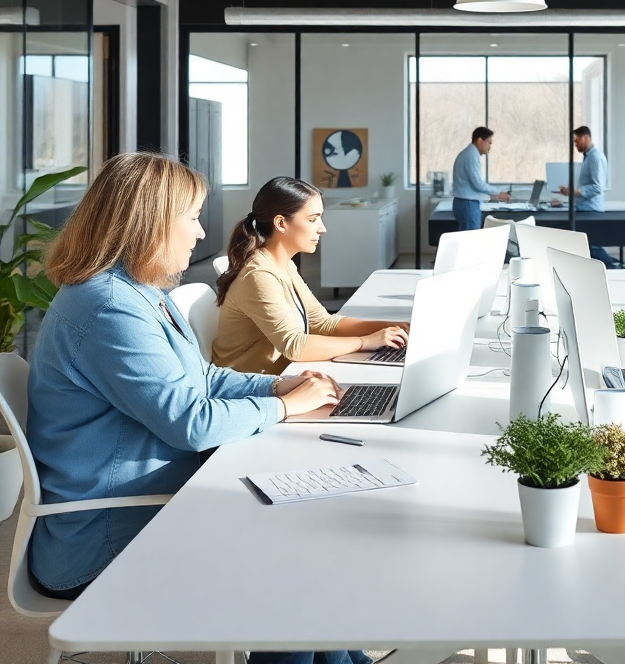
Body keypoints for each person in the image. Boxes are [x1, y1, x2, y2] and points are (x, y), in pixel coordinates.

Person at [27, 152, 361, 664]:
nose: (202, 234)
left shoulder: (137, 291)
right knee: (294, 552)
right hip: (109, 534)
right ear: (152, 224)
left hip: (153, 500)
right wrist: (286, 410)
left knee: (304, 529)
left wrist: (278, 387)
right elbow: (189, 421)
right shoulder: (108, 306)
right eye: (193, 218)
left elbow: (199, 378)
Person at [212, 176, 408, 373]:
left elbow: (323, 323)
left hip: (284, 376)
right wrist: (364, 341)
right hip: (249, 390)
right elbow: (295, 346)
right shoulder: (259, 275)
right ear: (281, 223)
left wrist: (389, 327)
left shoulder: (284, 265)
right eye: (313, 219)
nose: (322, 228)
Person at [559, 125, 616, 267]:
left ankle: (610, 267)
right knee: (589, 244)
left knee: (593, 245)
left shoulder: (595, 158)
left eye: (576, 140)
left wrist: (575, 191)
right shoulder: (588, 157)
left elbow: (597, 187)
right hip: (584, 208)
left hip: (591, 210)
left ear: (585, 138)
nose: (575, 144)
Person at [451, 125, 510, 230]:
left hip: (464, 203)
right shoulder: (471, 155)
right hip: (468, 204)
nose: (489, 148)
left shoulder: (468, 153)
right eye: (489, 142)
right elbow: (478, 184)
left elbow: (472, 185)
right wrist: (498, 193)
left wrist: (494, 196)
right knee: (471, 241)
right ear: (479, 140)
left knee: (467, 239)